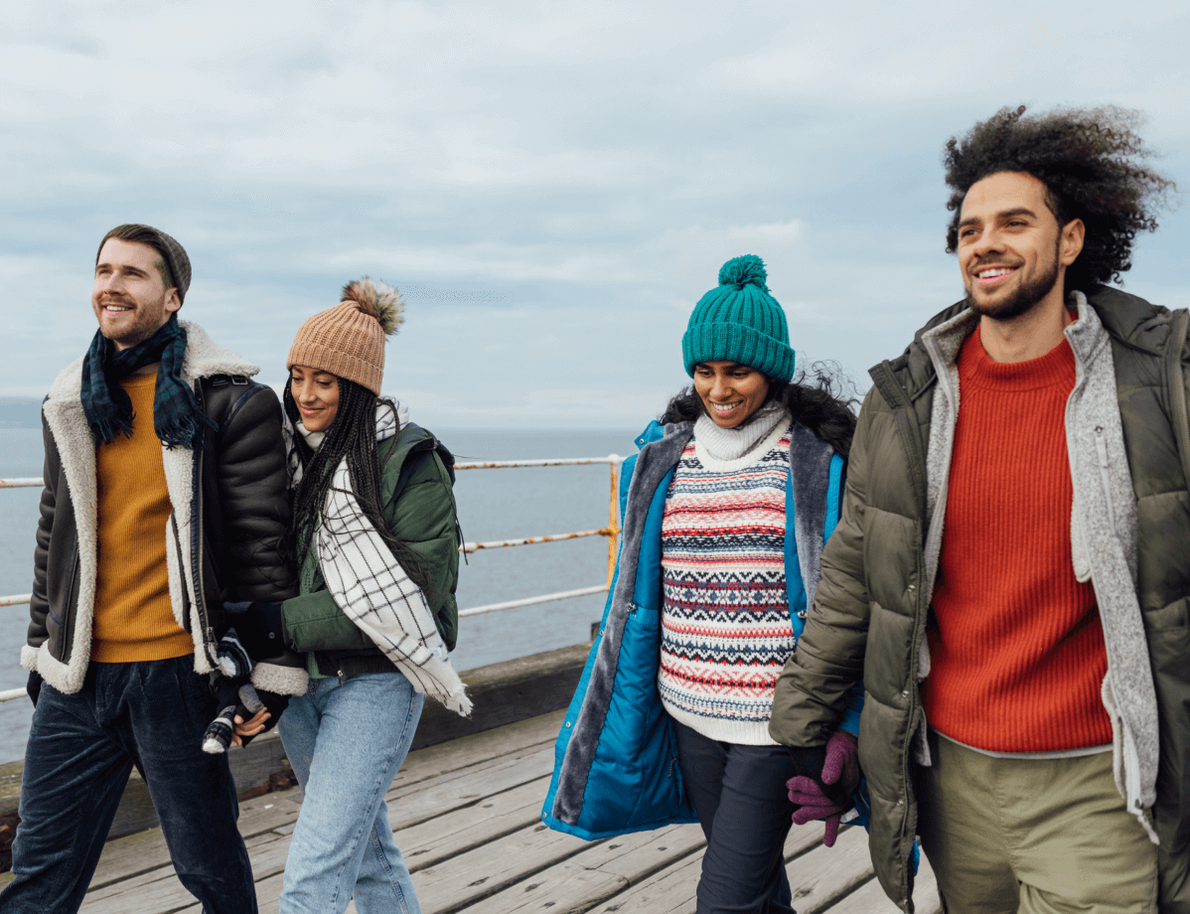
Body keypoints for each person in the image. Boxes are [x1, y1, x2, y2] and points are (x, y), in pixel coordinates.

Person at [768, 105, 1190, 914]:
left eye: (1013, 222)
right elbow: (856, 572)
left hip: (1100, 776)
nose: (984, 242)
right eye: (968, 230)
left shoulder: (1158, 381)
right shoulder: (907, 402)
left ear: (1070, 240)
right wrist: (800, 720)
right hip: (949, 778)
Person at [543, 255, 862, 914]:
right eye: (705, 370)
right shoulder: (661, 461)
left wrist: (850, 725)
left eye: (737, 371)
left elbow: (854, 607)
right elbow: (632, 600)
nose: (719, 388)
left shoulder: (820, 465)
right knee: (756, 891)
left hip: (776, 723)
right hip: (687, 710)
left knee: (723, 901)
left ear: (772, 370)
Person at [4, 223, 304, 914]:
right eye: (104, 269)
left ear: (171, 298)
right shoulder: (72, 401)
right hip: (78, 679)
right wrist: (41, 649)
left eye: (132, 273)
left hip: (178, 676)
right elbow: (55, 534)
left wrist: (269, 676)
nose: (112, 284)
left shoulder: (230, 403)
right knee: (39, 876)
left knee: (208, 866)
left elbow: (265, 551)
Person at [231, 277, 468, 914]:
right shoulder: (284, 457)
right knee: (365, 856)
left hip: (378, 681)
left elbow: (414, 595)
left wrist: (276, 623)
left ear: (358, 387)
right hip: (306, 685)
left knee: (314, 871)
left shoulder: (410, 462)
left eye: (325, 381)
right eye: (297, 375)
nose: (305, 395)